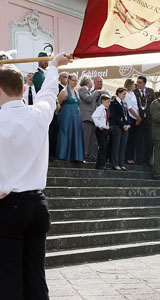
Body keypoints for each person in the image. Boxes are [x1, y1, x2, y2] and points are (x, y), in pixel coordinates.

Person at [0, 52, 71, 300]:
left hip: (8, 206)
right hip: (37, 205)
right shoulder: (38, 114)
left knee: (8, 276)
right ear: (22, 89)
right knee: (35, 274)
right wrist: (53, 66)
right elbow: (49, 93)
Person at [56, 73, 85, 162]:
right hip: (66, 116)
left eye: (77, 80)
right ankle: (63, 154)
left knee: (76, 134)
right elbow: (58, 105)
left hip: (76, 116)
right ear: (69, 80)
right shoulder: (64, 91)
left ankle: (76, 156)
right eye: (74, 80)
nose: (76, 82)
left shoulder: (76, 92)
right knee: (66, 133)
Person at [134, 76, 154, 167]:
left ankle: (147, 158)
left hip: (149, 119)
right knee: (138, 139)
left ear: (144, 83)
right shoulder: (135, 92)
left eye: (140, 82)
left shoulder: (150, 91)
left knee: (148, 140)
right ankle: (139, 159)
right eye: (137, 82)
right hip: (139, 118)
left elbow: (154, 104)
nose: (138, 84)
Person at [109, 88, 130, 171]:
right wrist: (122, 125)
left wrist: (128, 124)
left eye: (125, 94)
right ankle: (115, 163)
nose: (124, 96)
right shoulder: (113, 103)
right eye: (123, 94)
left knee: (123, 146)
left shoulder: (124, 103)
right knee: (116, 145)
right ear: (118, 93)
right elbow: (114, 116)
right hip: (117, 126)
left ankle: (121, 163)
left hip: (125, 127)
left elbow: (127, 115)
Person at [78, 75, 97, 162]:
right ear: (88, 82)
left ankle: (89, 156)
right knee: (86, 139)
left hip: (91, 118)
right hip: (86, 118)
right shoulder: (82, 89)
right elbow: (88, 99)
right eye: (91, 81)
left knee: (90, 139)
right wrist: (97, 93)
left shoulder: (89, 91)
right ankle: (84, 155)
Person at [92, 94, 111, 170]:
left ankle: (102, 164)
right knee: (102, 147)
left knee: (104, 147)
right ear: (103, 101)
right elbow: (94, 116)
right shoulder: (100, 108)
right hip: (101, 130)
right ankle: (100, 165)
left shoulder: (105, 109)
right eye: (107, 102)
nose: (108, 103)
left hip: (105, 129)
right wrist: (99, 125)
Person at [124, 78, 140, 164]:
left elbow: (136, 106)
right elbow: (129, 108)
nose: (135, 86)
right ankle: (127, 157)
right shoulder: (126, 94)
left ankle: (131, 156)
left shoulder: (133, 94)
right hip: (130, 117)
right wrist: (137, 116)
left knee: (133, 139)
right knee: (129, 139)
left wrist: (138, 117)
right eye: (133, 84)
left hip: (135, 117)